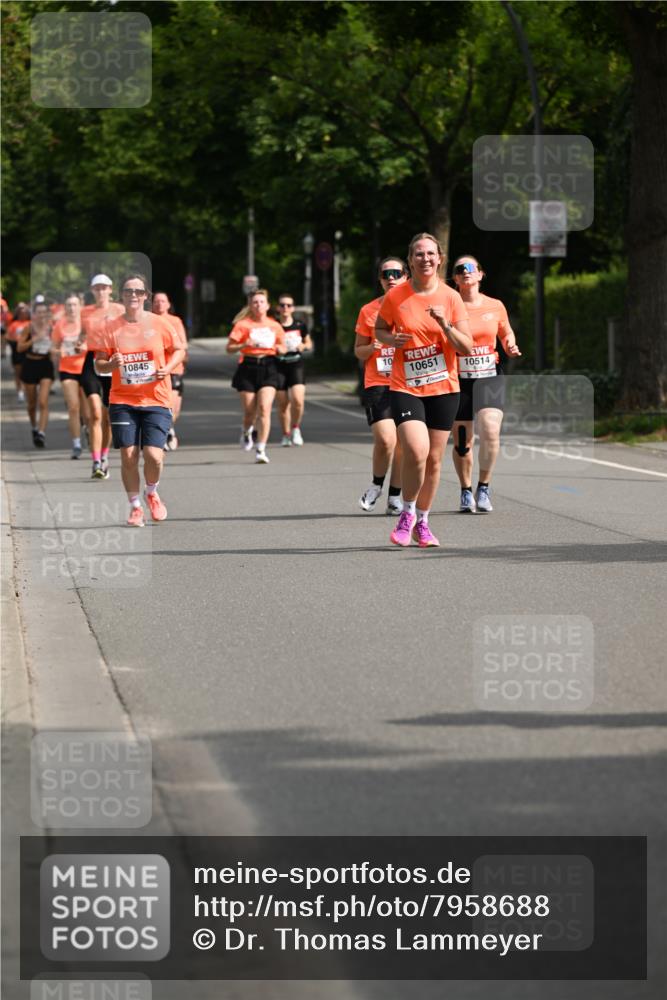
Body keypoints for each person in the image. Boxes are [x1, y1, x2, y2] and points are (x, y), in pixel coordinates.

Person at [375, 232, 473, 547]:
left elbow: (467, 347)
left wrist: (446, 326)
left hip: (444, 388)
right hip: (406, 386)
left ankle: (424, 522)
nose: (425, 259)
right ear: (410, 260)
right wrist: (391, 340)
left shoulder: (451, 297)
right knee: (416, 452)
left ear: (439, 258)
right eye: (419, 254)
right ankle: (407, 513)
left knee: (433, 460)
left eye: (431, 254)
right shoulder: (396, 297)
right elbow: (379, 330)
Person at [95, 274, 186, 526]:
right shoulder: (109, 328)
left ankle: (152, 492)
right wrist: (110, 363)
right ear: (121, 296)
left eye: (138, 291)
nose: (133, 295)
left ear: (145, 295)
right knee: (129, 455)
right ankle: (135, 507)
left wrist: (167, 368)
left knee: (154, 456)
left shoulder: (160, 324)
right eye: (128, 291)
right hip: (122, 400)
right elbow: (98, 363)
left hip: (156, 399)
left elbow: (179, 350)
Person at [450, 255, 521, 512]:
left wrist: (509, 344)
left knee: (490, 430)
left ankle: (484, 487)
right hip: (458, 380)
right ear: (455, 278)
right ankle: (465, 490)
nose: (465, 272)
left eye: (470, 268)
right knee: (462, 441)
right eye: (460, 269)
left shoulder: (495, 305)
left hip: (489, 375)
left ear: (480, 274)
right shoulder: (448, 305)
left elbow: (506, 331)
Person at [354, 257, 408, 515]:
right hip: (379, 383)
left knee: (403, 444)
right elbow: (359, 352)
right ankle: (377, 484)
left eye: (397, 273)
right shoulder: (368, 311)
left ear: (406, 277)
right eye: (386, 274)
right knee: (387, 440)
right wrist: (371, 347)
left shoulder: (416, 307)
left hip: (409, 383)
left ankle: (395, 496)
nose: (391, 278)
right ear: (380, 280)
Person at [227, 289, 286, 464]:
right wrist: (244, 344)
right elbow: (229, 348)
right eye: (255, 302)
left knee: (265, 408)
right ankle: (246, 431)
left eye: (261, 302)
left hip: (269, 365)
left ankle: (261, 448)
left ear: (267, 305)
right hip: (248, 365)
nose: (258, 305)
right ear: (250, 306)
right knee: (249, 411)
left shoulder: (274, 325)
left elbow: (282, 346)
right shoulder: (243, 325)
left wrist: (280, 349)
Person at [81, 274, 124, 479]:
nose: (100, 291)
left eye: (103, 288)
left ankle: (105, 457)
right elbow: (78, 335)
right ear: (92, 291)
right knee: (95, 414)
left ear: (110, 289)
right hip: (92, 361)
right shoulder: (86, 313)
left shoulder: (120, 310)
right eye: (96, 288)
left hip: (112, 361)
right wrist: (79, 343)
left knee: (106, 417)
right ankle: (96, 461)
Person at [51, 293, 88, 458]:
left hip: (86, 369)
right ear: (64, 308)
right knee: (73, 407)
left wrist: (84, 347)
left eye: (74, 305)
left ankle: (88, 428)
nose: (71, 308)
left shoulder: (86, 323)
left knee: (88, 413)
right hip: (67, 369)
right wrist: (61, 351)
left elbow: (96, 342)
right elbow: (52, 349)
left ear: (80, 306)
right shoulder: (60, 325)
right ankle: (76, 444)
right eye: (68, 305)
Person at [274, 294, 313, 446]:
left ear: (293, 308)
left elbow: (308, 343)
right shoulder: (274, 325)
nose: (285, 308)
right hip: (278, 365)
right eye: (282, 305)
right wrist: (277, 348)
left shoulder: (299, 325)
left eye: (288, 305)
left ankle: (296, 428)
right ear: (278, 308)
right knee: (283, 403)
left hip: (296, 364)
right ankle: (286, 434)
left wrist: (303, 346)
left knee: (297, 400)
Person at [152, 291, 188, 450]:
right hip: (156, 370)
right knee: (161, 405)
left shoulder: (175, 321)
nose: (160, 304)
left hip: (174, 369)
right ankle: (164, 434)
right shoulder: (148, 321)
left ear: (168, 304)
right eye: (157, 301)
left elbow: (183, 345)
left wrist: (168, 346)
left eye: (163, 301)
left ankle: (169, 428)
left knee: (174, 409)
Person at [16, 299, 55, 447]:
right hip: (30, 364)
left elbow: (57, 345)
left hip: (45, 364)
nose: (41, 315)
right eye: (39, 312)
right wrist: (34, 339)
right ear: (34, 314)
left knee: (43, 401)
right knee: (32, 403)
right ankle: (34, 427)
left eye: (44, 312)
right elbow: (19, 347)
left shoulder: (51, 328)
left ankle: (41, 432)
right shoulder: (29, 328)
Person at [6, 303, 30, 402]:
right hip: (17, 351)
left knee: (27, 372)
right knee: (18, 372)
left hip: (27, 351)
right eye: (21, 312)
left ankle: (27, 390)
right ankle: (20, 391)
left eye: (25, 312)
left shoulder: (30, 323)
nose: (23, 314)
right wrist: (15, 340)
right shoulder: (14, 324)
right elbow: (8, 336)